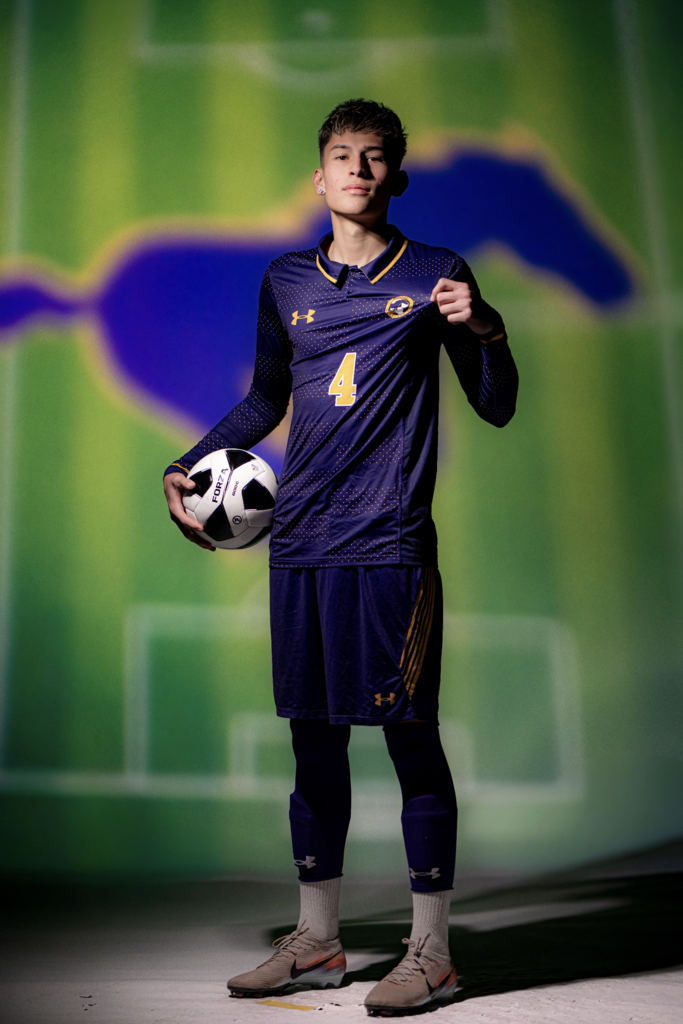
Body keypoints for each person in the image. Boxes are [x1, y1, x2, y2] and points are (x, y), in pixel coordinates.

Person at [163, 98, 518, 1016]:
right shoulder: (286, 279)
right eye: (342, 155)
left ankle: (432, 954)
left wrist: (485, 329)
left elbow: (495, 405)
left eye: (374, 157)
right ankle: (317, 943)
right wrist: (185, 465)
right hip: (300, 545)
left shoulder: (438, 273)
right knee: (312, 745)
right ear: (317, 176)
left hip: (390, 547)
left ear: (395, 176)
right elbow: (262, 401)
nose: (357, 169)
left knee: (409, 740)